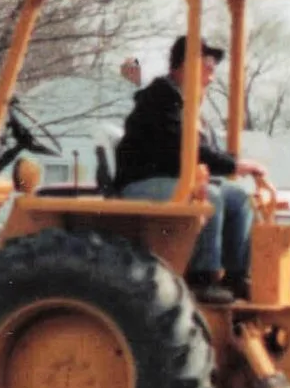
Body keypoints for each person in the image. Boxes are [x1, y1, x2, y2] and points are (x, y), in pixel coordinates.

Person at [114, 35, 268, 306]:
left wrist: (236, 164)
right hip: (141, 181)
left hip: (171, 179)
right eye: (207, 66)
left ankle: (235, 276)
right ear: (185, 65)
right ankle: (202, 277)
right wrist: (235, 165)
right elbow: (185, 149)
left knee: (238, 198)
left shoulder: (188, 106)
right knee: (209, 196)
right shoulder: (162, 98)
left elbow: (207, 151)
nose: (211, 75)